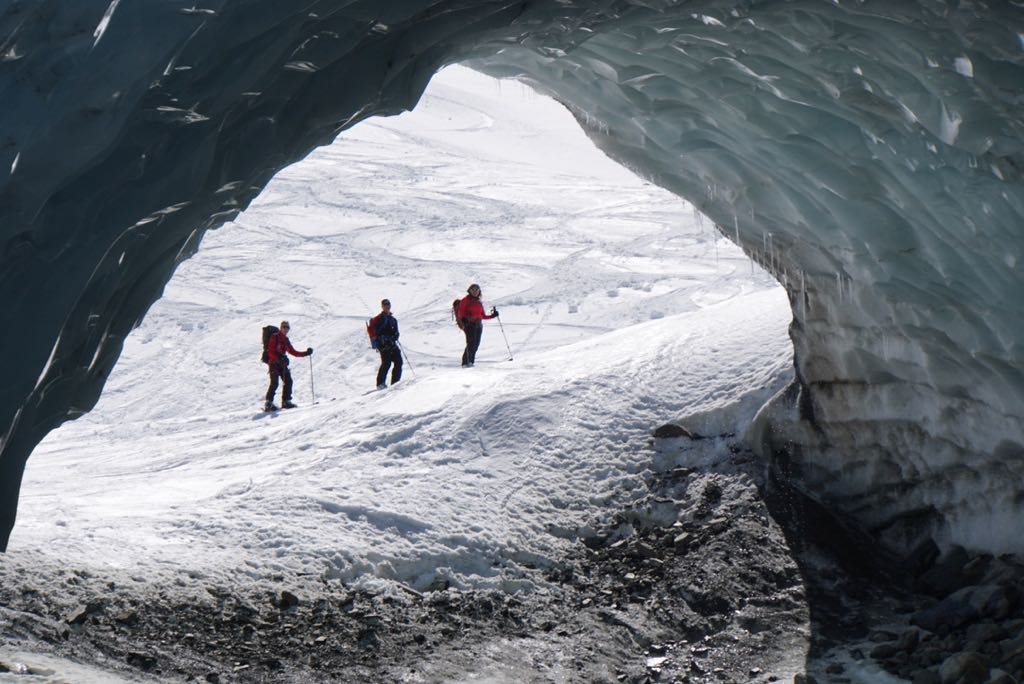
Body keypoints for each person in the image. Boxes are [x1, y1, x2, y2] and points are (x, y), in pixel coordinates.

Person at [265, 320, 312, 411]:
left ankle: (286, 401)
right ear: (280, 328)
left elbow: (293, 352)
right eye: (284, 327)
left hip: (282, 364)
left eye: (287, 327)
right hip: (274, 364)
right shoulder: (275, 337)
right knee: (274, 383)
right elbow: (270, 351)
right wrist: (278, 359)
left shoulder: (286, 340)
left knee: (288, 381)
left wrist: (306, 353)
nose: (286, 329)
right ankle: (268, 403)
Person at [456, 283, 497, 367]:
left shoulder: (479, 302)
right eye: (473, 290)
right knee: (471, 343)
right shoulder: (465, 300)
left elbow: (482, 316)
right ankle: (465, 363)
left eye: (477, 290)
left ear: (479, 291)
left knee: (476, 344)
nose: (475, 291)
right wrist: (464, 319)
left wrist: (492, 316)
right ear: (469, 291)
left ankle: (471, 362)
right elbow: (461, 312)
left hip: (478, 325)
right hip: (469, 324)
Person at [369, 299, 402, 389]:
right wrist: (384, 339)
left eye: (388, 304)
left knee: (399, 362)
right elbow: (377, 332)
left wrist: (394, 337)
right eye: (385, 305)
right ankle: (380, 384)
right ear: (382, 306)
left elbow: (397, 332)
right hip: (383, 345)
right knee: (386, 363)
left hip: (392, 344)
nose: (387, 306)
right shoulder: (379, 318)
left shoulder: (393, 319)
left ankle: (395, 383)